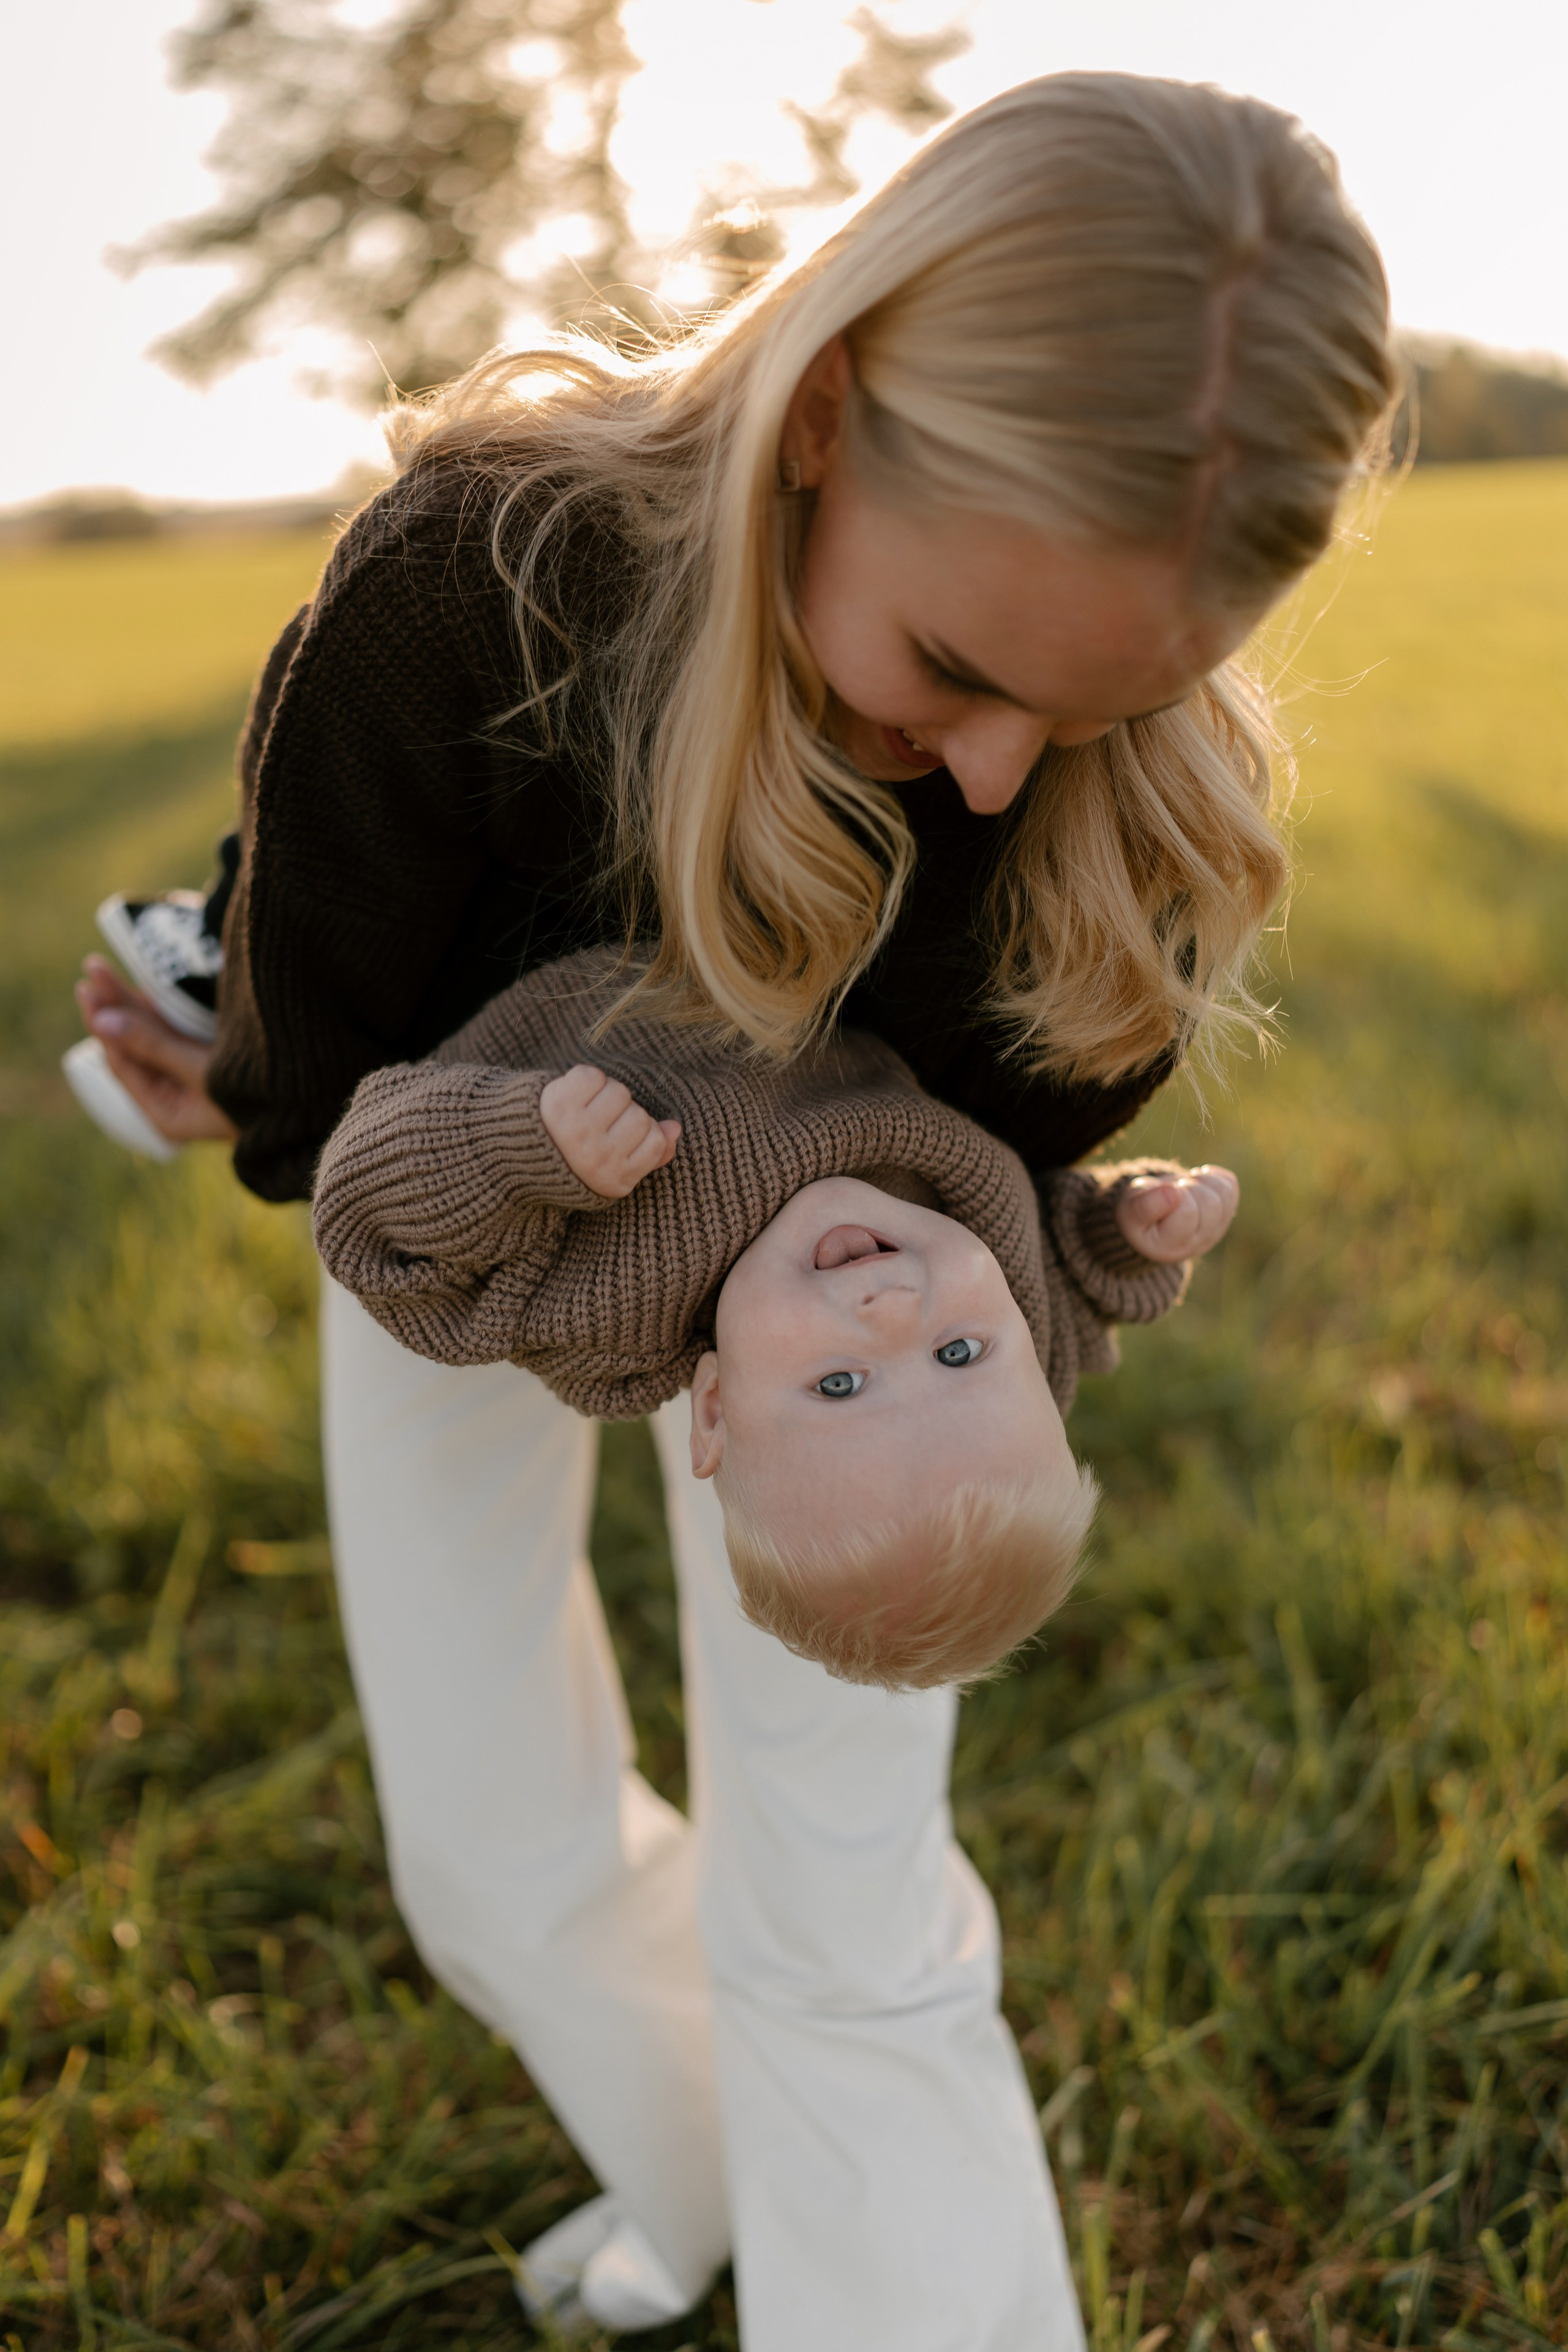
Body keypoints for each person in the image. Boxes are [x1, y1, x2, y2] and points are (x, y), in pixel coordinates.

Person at [73, 71, 1396, 2347]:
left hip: (858, 1293)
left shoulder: (1116, 818)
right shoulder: (476, 578)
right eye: (962, 676)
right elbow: (332, 1064)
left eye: (1096, 709)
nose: (998, 774)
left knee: (845, 1885)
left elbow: (1005, 1173)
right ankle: (712, 2179)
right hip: (475, 1222)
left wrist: (1034, 1287)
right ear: (822, 415)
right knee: (488, 1845)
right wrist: (254, 1077)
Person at [310, 942, 1240, 1688]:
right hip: (786, 915)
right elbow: (1069, 1272)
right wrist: (1131, 1228)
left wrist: (524, 1148)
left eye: (840, 1385)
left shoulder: (603, 1311)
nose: (891, 1312)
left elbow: (368, 1224)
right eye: (960, 1353)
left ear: (712, 1409)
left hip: (544, 929)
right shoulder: (981, 1247)